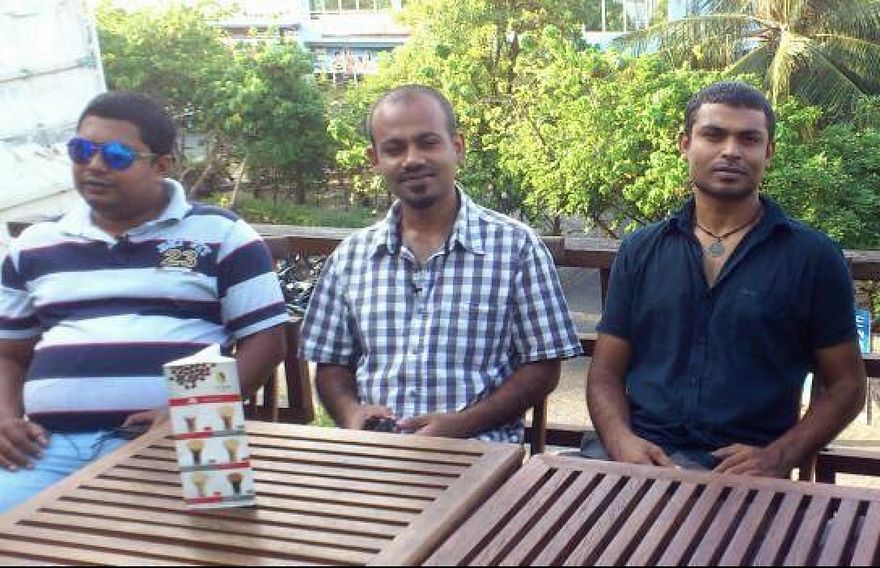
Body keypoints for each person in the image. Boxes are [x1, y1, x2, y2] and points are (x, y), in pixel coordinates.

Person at [0, 91, 288, 511]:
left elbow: (267, 342)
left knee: (208, 540)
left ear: (161, 165)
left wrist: (192, 411)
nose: (94, 166)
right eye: (82, 151)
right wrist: (6, 418)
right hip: (47, 447)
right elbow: (9, 353)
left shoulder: (222, 234)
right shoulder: (35, 244)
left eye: (116, 155)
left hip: (184, 440)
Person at [583, 81, 866, 477]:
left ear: (769, 152)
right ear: (685, 143)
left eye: (749, 139)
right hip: (632, 459)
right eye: (713, 135)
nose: (731, 151)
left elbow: (846, 386)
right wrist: (621, 441)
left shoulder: (813, 258)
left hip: (739, 474)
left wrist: (778, 457)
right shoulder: (640, 250)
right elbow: (605, 373)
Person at [299, 85, 582, 442]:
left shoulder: (516, 248)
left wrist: (463, 424)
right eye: (394, 149)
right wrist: (351, 414)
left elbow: (543, 366)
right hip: (376, 452)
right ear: (375, 159)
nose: (412, 159)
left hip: (478, 452)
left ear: (457, 147)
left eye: (428, 143)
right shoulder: (350, 258)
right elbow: (331, 365)